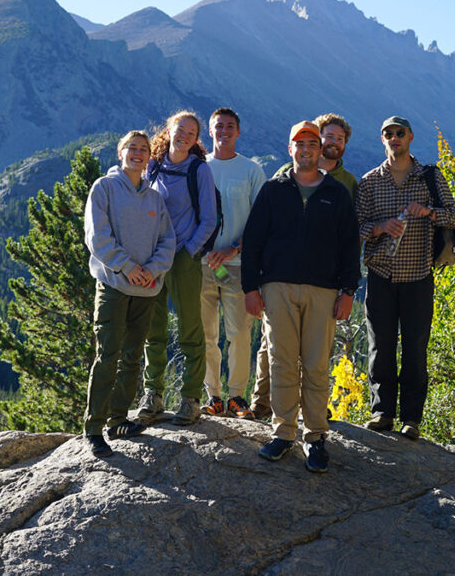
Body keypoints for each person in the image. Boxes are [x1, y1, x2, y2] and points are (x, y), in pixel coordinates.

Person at [241, 120, 360, 473]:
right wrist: (251, 287)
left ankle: (316, 437)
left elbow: (349, 245)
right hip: (277, 287)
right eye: (300, 144)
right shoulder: (273, 190)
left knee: (316, 364)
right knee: (281, 360)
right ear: (290, 149)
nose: (306, 150)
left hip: (324, 290)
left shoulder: (336, 194)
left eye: (312, 144)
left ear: (319, 150)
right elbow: (254, 242)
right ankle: (283, 433)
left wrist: (348, 291)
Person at [354, 116, 455, 440]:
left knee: (415, 348)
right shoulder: (370, 181)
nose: (394, 138)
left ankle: (411, 419)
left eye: (399, 133)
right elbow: (355, 228)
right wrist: (379, 227)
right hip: (381, 274)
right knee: (380, 347)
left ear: (411, 137)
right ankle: (381, 413)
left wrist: (429, 212)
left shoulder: (428, 177)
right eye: (387, 133)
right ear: (382, 140)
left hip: (418, 273)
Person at [82, 130, 176, 458]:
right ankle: (93, 429)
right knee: (108, 355)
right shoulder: (104, 188)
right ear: (121, 152)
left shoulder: (154, 199)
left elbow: (168, 241)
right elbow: (98, 237)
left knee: (133, 355)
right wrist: (127, 266)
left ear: (150, 157)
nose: (138, 154)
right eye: (132, 148)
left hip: (146, 288)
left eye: (144, 150)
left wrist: (152, 270)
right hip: (113, 284)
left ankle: (118, 420)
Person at [137, 110, 218, 426]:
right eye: (179, 129)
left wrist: (188, 252)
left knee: (190, 329)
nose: (183, 136)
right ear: (167, 131)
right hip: (152, 259)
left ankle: (190, 399)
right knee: (152, 329)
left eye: (190, 132)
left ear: (196, 139)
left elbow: (209, 219)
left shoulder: (199, 170)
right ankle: (152, 395)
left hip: (183, 260)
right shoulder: (152, 166)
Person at [199, 108, 266, 419]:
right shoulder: (199, 169)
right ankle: (212, 395)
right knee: (205, 332)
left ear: (238, 132)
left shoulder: (251, 171)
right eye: (218, 127)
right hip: (202, 265)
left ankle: (237, 396)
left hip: (237, 265)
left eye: (229, 126)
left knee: (239, 332)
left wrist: (231, 250)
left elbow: (262, 224)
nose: (224, 131)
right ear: (209, 132)